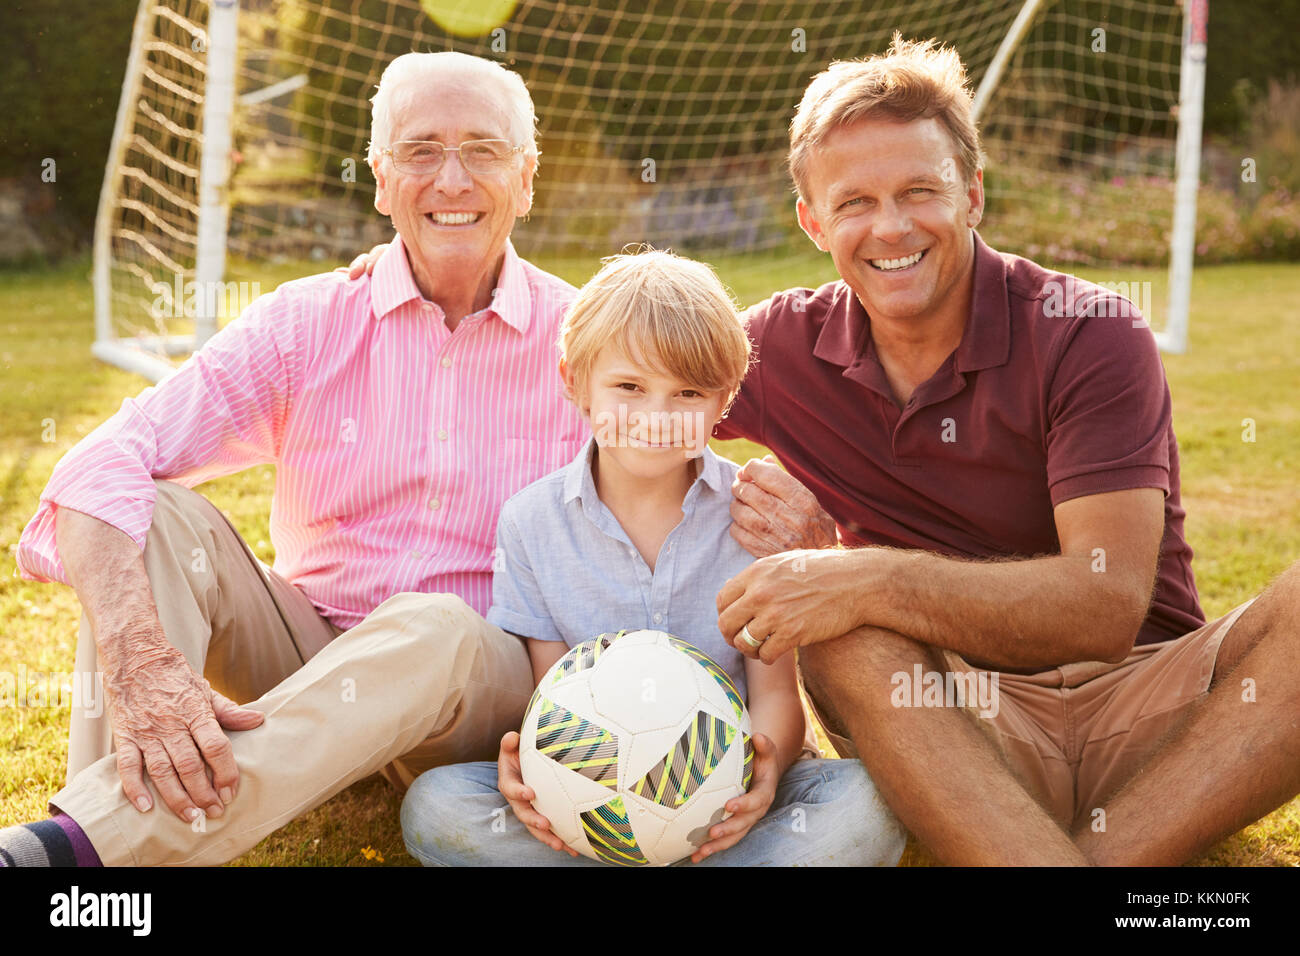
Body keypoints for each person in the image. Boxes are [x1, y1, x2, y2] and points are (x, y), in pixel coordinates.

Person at [711, 35, 1300, 866]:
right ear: (813, 222)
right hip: (955, 730)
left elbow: (1104, 606)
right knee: (838, 629)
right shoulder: (776, 348)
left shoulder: (1090, 331)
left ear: (974, 195)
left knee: (841, 594)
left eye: (921, 191)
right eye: (854, 204)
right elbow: (622, 393)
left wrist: (863, 572)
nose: (891, 227)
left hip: (1157, 720)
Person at [0, 51, 588, 867]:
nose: (451, 179)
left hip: (481, 687)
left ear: (525, 178)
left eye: (483, 151)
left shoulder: (586, 340)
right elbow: (99, 469)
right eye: (420, 151)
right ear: (381, 179)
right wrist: (142, 661)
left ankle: (72, 853)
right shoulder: (306, 322)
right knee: (154, 513)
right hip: (311, 654)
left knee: (432, 624)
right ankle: (110, 830)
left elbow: (681, 448)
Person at [399, 250, 906, 866]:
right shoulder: (531, 522)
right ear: (574, 382)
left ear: (724, 403)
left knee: (868, 803)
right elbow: (550, 687)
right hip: (593, 795)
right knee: (438, 804)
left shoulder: (752, 516)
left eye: (687, 393)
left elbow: (774, 690)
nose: (656, 419)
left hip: (729, 788)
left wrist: (760, 771)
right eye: (630, 388)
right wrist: (542, 770)